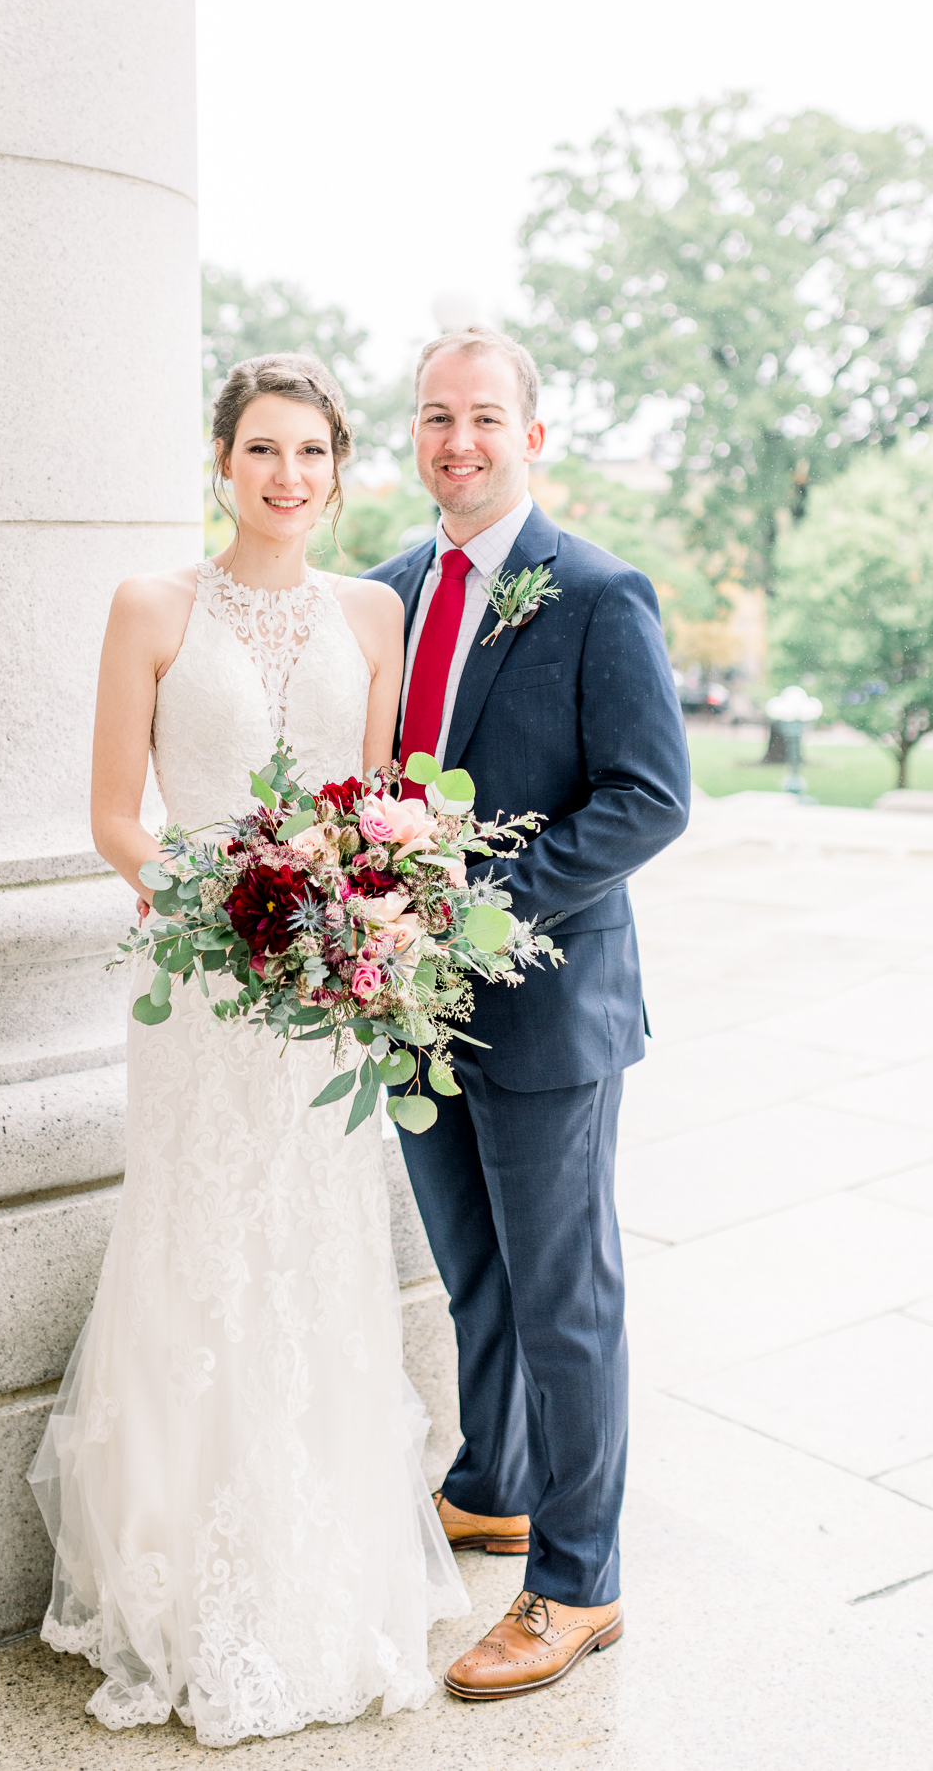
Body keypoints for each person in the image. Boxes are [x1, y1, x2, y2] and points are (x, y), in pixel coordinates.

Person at [29, 354, 467, 1744]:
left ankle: (323, 1579)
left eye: (314, 455)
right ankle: (181, 1586)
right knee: (201, 1256)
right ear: (222, 460)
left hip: (322, 1001)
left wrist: (359, 927)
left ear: (339, 473)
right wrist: (219, 921)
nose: (288, 477)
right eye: (264, 449)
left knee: (315, 1263)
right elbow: (115, 818)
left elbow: (384, 803)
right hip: (209, 992)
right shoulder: (151, 607)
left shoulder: (373, 612)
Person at [366, 325, 690, 1702]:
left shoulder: (600, 595)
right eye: (439, 418)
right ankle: (492, 1484)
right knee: (471, 1272)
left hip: (550, 1010)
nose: (461, 442)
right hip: (411, 1007)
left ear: (533, 436)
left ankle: (576, 1580)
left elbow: (650, 797)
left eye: (487, 418)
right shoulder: (382, 595)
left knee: (568, 1296)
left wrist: (478, 903)